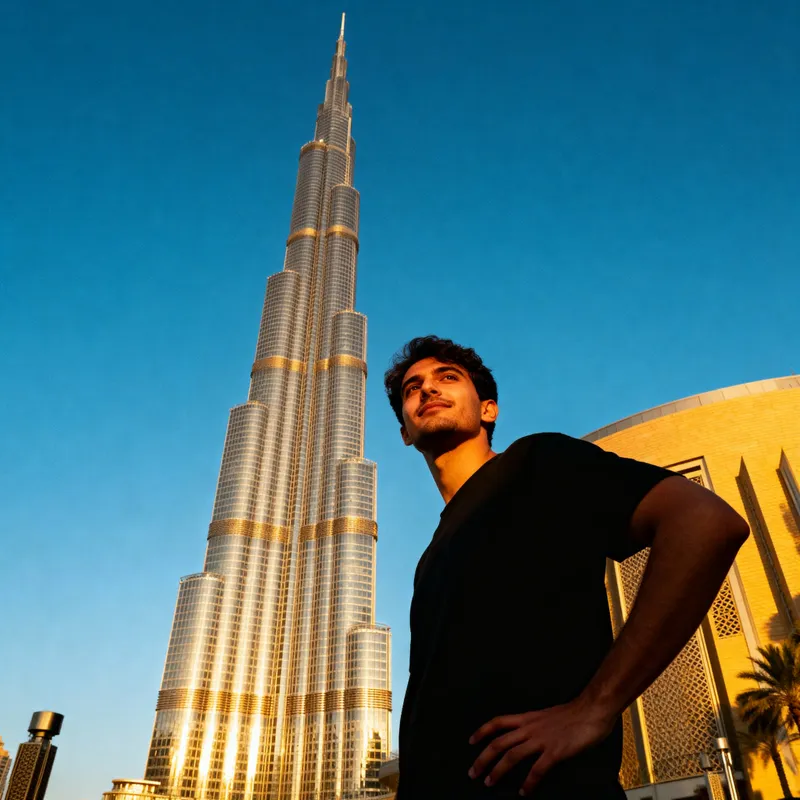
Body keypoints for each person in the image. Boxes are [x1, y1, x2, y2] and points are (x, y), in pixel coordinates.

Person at [383, 336, 750, 799]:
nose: (428, 389)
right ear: (404, 431)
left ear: (488, 409)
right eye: (412, 388)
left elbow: (705, 522)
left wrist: (596, 707)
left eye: (448, 377)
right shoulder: (431, 555)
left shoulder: (537, 463)